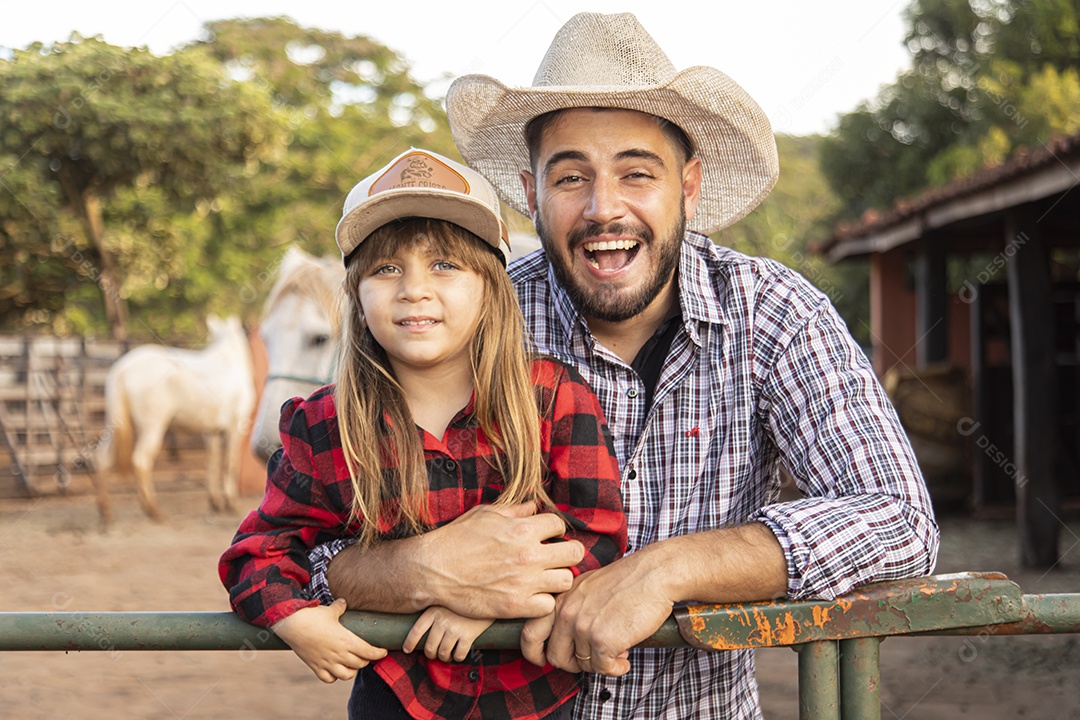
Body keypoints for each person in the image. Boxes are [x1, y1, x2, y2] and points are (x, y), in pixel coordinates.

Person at [307, 13, 940, 720]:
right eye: (571, 176)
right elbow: (308, 532)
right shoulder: (473, 318)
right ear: (532, 192)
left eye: (636, 173)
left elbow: (900, 520)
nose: (604, 208)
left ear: (689, 185)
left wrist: (668, 569)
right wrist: (415, 569)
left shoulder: (775, 313)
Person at [219, 147, 627, 720]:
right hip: (395, 701)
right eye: (386, 269)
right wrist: (294, 617)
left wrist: (493, 608)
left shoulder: (556, 400)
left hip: (536, 701)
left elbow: (599, 539)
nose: (413, 289)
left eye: (445, 265)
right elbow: (258, 554)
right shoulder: (322, 426)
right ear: (357, 300)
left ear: (490, 290)